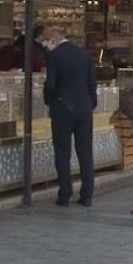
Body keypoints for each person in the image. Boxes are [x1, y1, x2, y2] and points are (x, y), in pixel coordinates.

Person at [43, 28, 98, 208]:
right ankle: (87, 195)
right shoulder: (84, 54)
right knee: (85, 152)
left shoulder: (55, 55)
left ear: (54, 38)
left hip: (62, 108)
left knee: (62, 152)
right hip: (84, 108)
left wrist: (48, 100)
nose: (45, 44)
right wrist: (91, 104)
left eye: (46, 40)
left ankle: (65, 194)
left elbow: (50, 84)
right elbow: (92, 82)